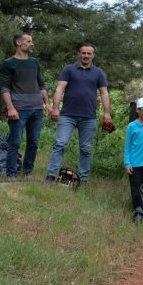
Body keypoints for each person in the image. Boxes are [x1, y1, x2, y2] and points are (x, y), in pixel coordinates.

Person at [47, 43, 112, 185]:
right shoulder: (69, 69)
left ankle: (83, 179)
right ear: (79, 54)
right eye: (84, 53)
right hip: (67, 115)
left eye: (89, 53)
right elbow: (59, 89)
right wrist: (55, 108)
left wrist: (107, 113)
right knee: (60, 144)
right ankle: (51, 176)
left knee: (86, 149)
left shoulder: (98, 73)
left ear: (93, 55)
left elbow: (104, 92)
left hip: (89, 117)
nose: (86, 56)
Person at [0, 32, 49, 178]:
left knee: (33, 143)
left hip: (37, 109)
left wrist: (47, 104)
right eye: (28, 41)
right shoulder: (8, 64)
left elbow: (42, 85)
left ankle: (27, 173)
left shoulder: (35, 63)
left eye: (32, 41)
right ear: (19, 43)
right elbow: (5, 88)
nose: (32, 43)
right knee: (15, 143)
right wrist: (10, 108)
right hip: (19, 109)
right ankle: (11, 175)